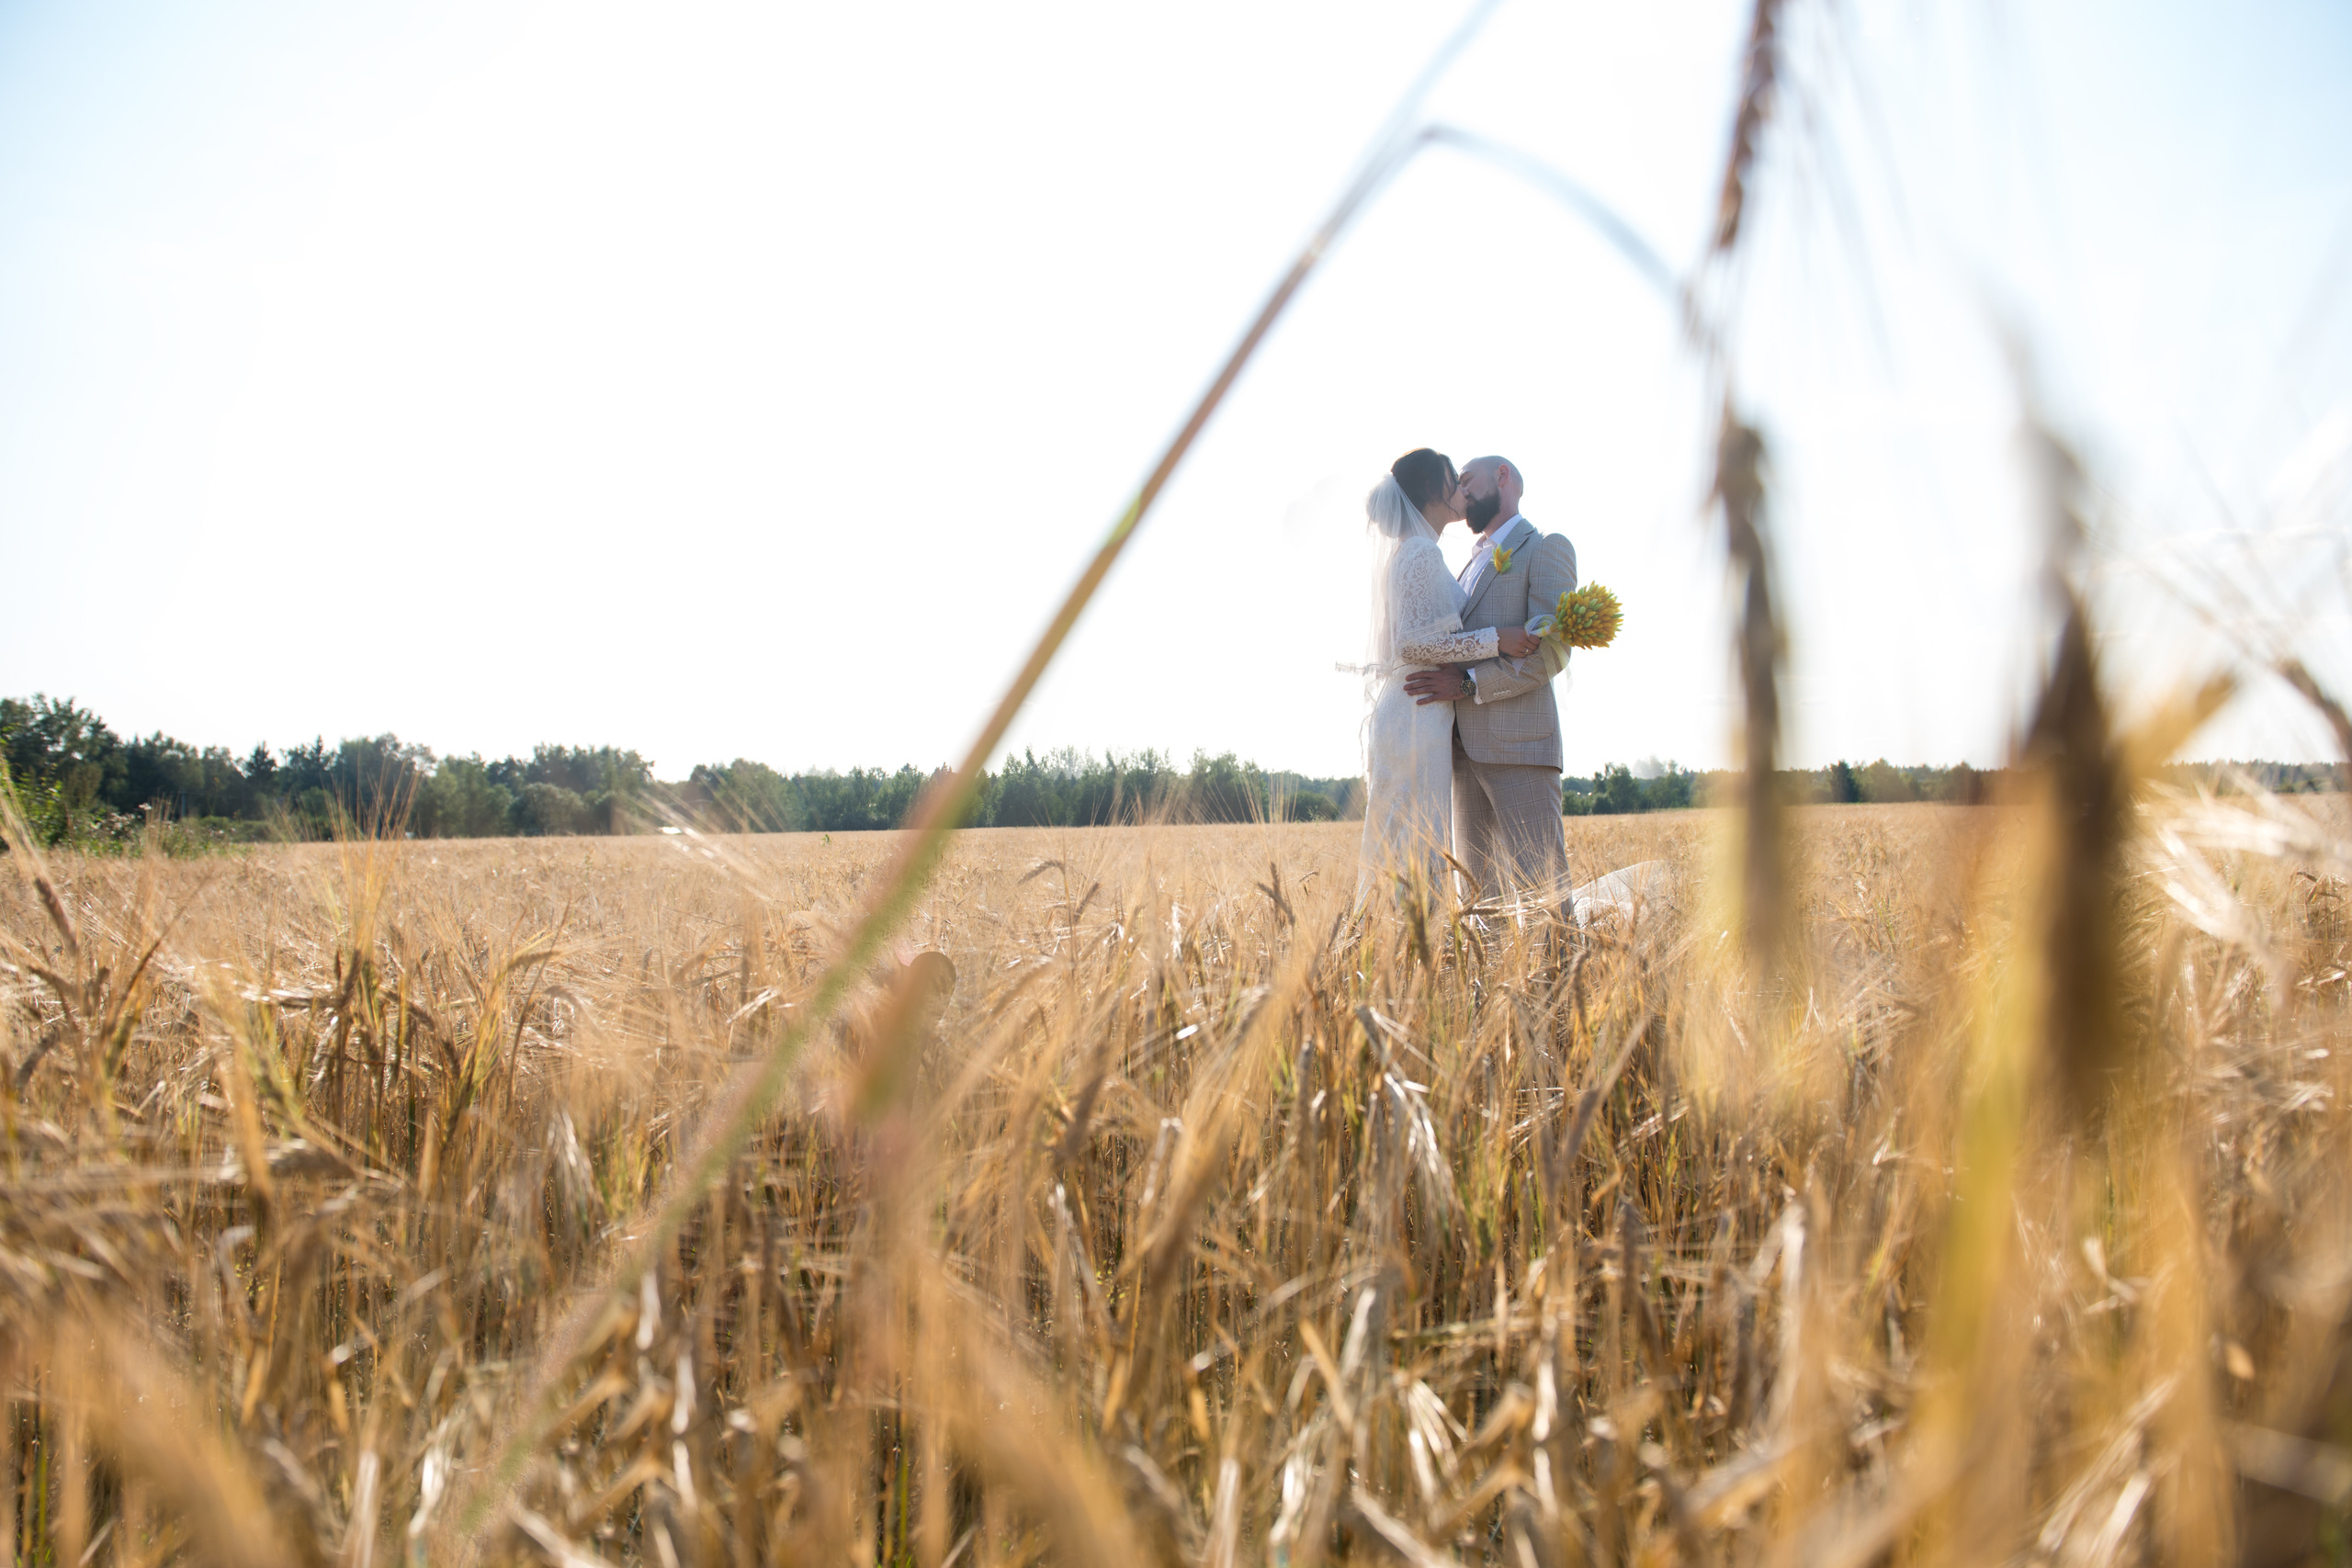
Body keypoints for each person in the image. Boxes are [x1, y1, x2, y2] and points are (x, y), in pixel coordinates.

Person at [1355, 449, 1543, 902]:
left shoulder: (1418, 551)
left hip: (1422, 712)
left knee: (1415, 844)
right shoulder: (1419, 552)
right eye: (1452, 480)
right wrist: (1496, 638)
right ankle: (1405, 951)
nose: (1461, 490)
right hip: (1416, 713)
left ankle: (1401, 954)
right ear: (1430, 492)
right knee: (1415, 844)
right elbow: (1412, 644)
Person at [1401, 456, 1577, 900]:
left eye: (1467, 480)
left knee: (1546, 898)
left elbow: (1550, 653)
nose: (1461, 492)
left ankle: (1563, 973)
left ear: (1503, 477)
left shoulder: (1546, 548)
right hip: (1460, 753)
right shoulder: (1467, 563)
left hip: (1520, 749)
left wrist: (1467, 686)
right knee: (1480, 904)